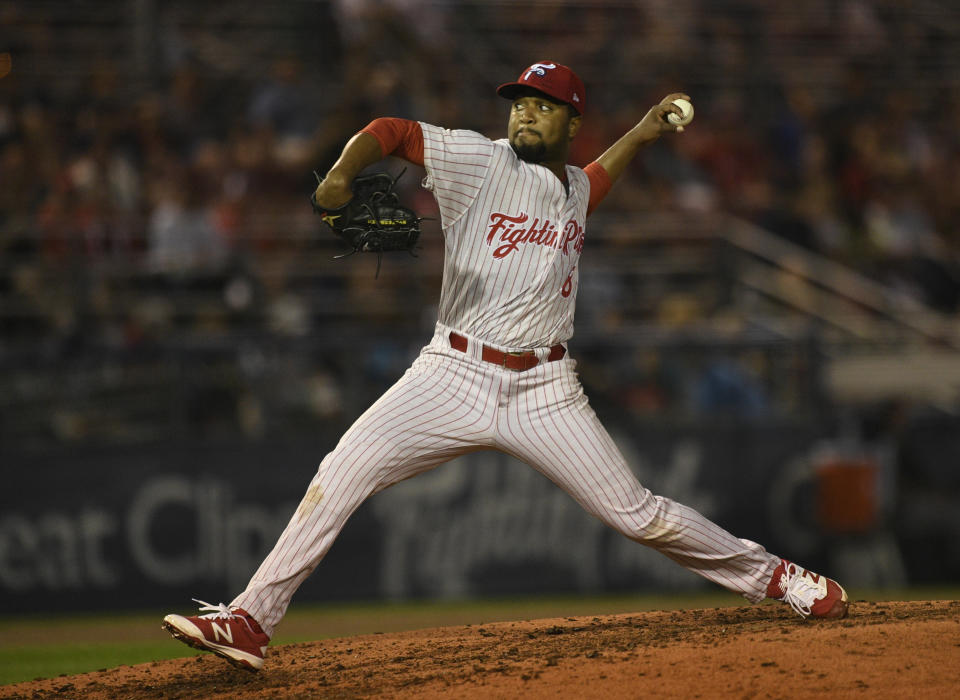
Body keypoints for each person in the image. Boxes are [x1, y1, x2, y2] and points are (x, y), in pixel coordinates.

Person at [162, 61, 849, 672]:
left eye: (542, 104)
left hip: (546, 389)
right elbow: (392, 128)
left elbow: (593, 184)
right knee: (342, 468)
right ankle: (251, 618)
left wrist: (642, 130)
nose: (524, 111)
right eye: (519, 101)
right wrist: (344, 174)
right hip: (451, 373)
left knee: (638, 515)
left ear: (571, 121)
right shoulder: (477, 159)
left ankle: (778, 577)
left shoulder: (574, 187)